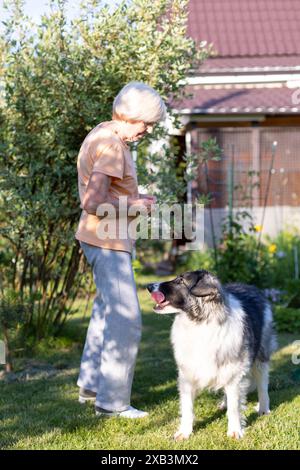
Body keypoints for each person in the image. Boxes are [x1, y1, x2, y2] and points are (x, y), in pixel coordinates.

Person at [75, 81, 166, 418]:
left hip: (99, 239)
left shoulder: (102, 132)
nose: (149, 129)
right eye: (147, 122)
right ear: (130, 116)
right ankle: (112, 403)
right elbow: (93, 201)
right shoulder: (112, 145)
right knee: (126, 318)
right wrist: (137, 204)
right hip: (107, 240)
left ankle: (91, 385)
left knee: (105, 312)